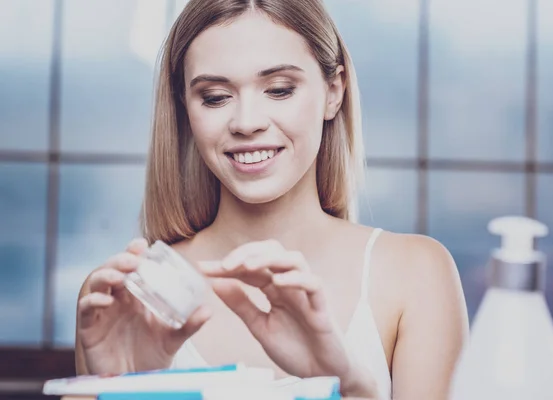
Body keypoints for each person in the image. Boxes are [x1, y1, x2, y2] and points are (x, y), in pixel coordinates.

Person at [74, 0, 469, 398]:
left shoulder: (415, 275)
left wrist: (351, 384)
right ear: (185, 108)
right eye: (214, 97)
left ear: (334, 91)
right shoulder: (124, 297)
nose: (247, 122)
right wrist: (125, 390)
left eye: (279, 90)